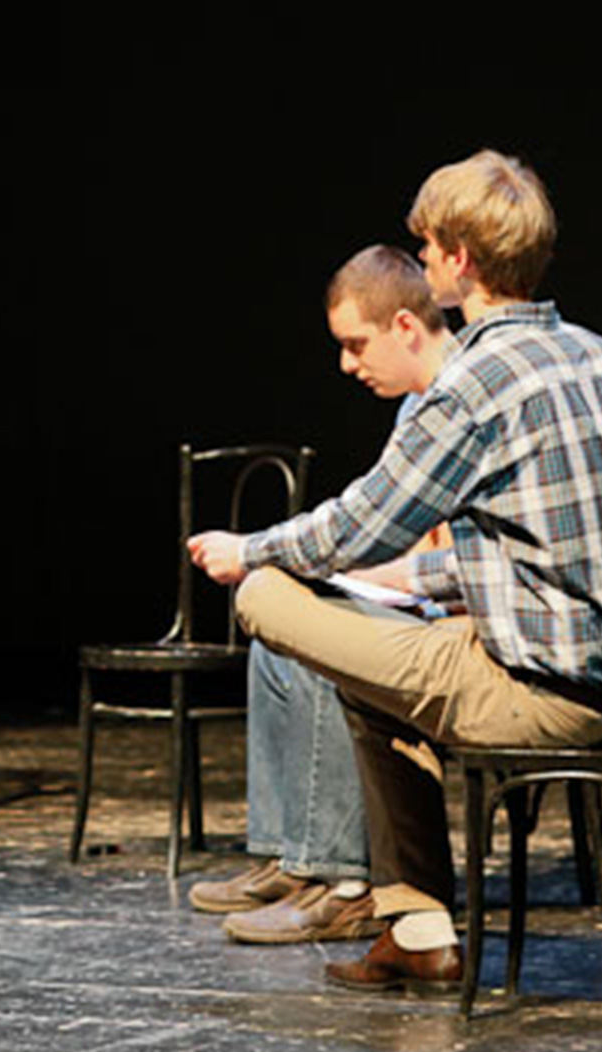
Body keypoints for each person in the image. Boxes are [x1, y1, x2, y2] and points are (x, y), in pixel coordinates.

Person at [187, 151, 602, 993]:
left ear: (460, 260)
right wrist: (420, 584)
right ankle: (415, 929)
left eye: (430, 247)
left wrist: (249, 551)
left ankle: (347, 883)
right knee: (364, 662)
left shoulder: (478, 378)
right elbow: (537, 553)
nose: (426, 259)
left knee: (268, 598)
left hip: (536, 690)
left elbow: (365, 525)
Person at [185, 246, 453, 945]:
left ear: (404, 327)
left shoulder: (456, 403)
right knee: (276, 645)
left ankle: (345, 883)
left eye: (356, 344)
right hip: (427, 598)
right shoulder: (418, 408)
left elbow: (408, 540)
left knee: (321, 643)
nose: (345, 364)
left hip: (460, 621)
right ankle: (290, 855)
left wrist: (268, 552)